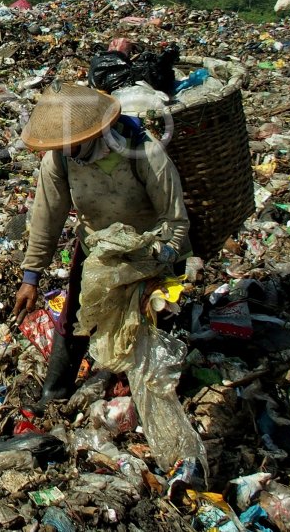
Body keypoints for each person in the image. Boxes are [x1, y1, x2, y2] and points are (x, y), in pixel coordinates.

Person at [12, 82, 190, 408]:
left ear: (91, 135)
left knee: (154, 321)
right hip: (97, 245)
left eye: (69, 144)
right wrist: (31, 276)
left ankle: (155, 396)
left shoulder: (143, 153)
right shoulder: (59, 162)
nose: (62, 150)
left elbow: (175, 221)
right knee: (76, 317)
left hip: (151, 246)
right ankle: (55, 391)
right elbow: (46, 218)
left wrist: (159, 261)